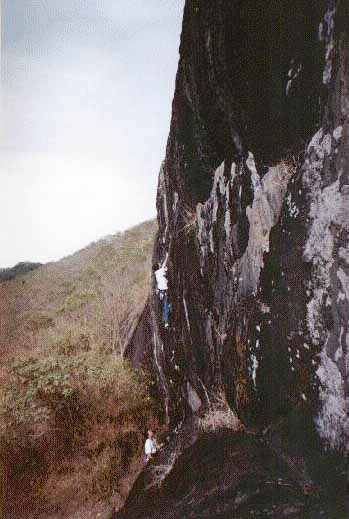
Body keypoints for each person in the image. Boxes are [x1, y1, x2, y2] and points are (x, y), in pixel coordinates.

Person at [153, 253, 170, 328]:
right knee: (166, 306)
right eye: (158, 264)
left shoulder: (157, 273)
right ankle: (166, 322)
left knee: (166, 306)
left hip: (162, 291)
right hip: (163, 291)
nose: (159, 264)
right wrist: (166, 256)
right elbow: (164, 265)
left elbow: (164, 268)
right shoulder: (159, 272)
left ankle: (166, 320)